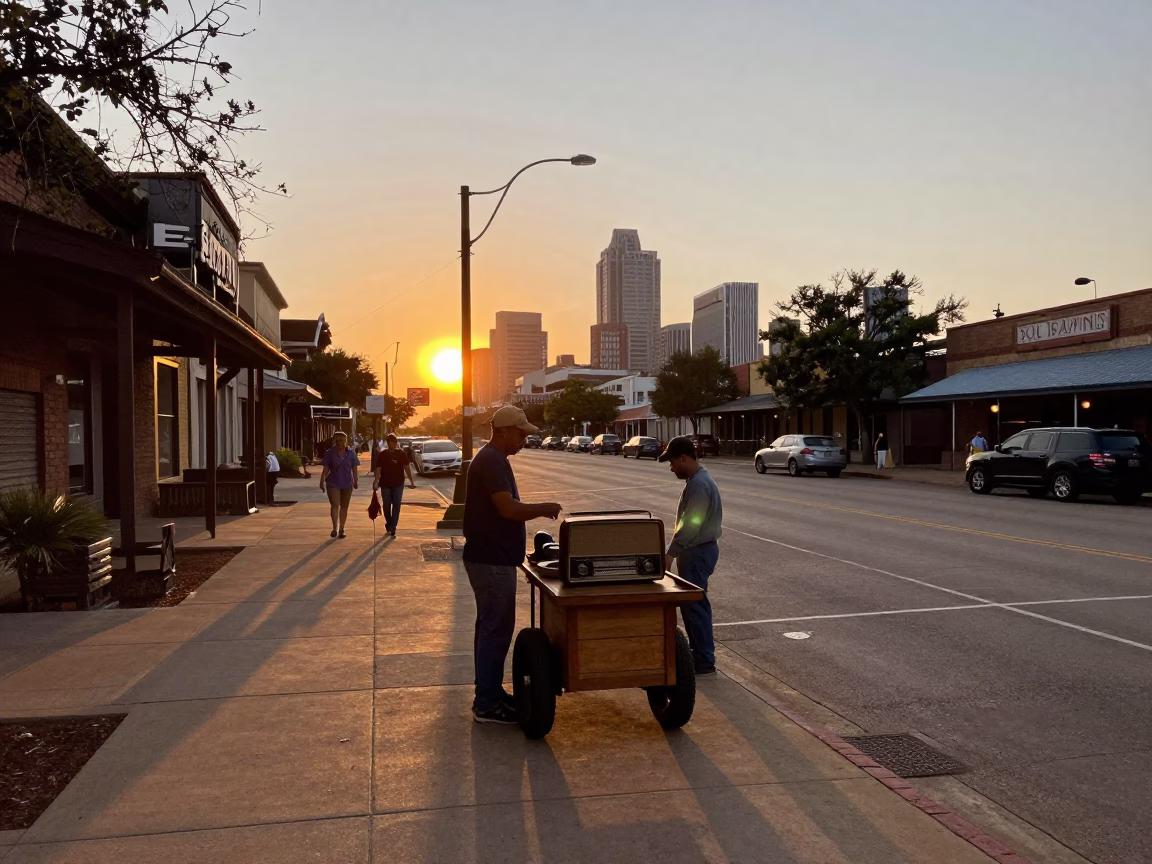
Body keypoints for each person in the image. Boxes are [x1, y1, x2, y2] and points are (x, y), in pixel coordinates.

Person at [464, 405, 562, 725]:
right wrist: (542, 508)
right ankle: (488, 704)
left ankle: (488, 693)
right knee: (495, 631)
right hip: (492, 562)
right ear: (505, 431)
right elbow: (506, 508)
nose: (523, 440)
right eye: (521, 434)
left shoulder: (494, 460)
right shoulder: (492, 461)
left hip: (493, 559)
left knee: (491, 629)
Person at [660, 435, 723, 676]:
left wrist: (670, 554)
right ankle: (700, 655)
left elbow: (691, 524)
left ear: (683, 458)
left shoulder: (699, 485)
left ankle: (704, 659)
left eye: (672, 462)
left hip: (697, 552)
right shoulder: (698, 480)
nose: (671, 467)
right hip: (697, 550)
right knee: (692, 605)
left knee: (695, 606)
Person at [373, 433, 416, 537]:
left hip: (398, 483)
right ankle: (389, 522)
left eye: (394, 442)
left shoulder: (401, 453)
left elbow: (406, 467)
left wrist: (411, 480)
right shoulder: (383, 454)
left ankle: (393, 526)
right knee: (386, 505)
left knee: (396, 505)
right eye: (391, 442)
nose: (393, 444)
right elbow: (378, 468)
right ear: (388, 443)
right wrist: (376, 481)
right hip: (385, 484)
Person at [319, 431, 358, 538]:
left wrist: (355, 480)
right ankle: (334, 528)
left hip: (347, 482)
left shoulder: (351, 453)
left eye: (341, 440)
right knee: (335, 504)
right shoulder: (330, 453)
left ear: (345, 441)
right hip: (333, 482)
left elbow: (354, 468)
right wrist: (322, 480)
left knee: (344, 507)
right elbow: (326, 468)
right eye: (337, 441)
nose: (339, 443)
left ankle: (342, 528)